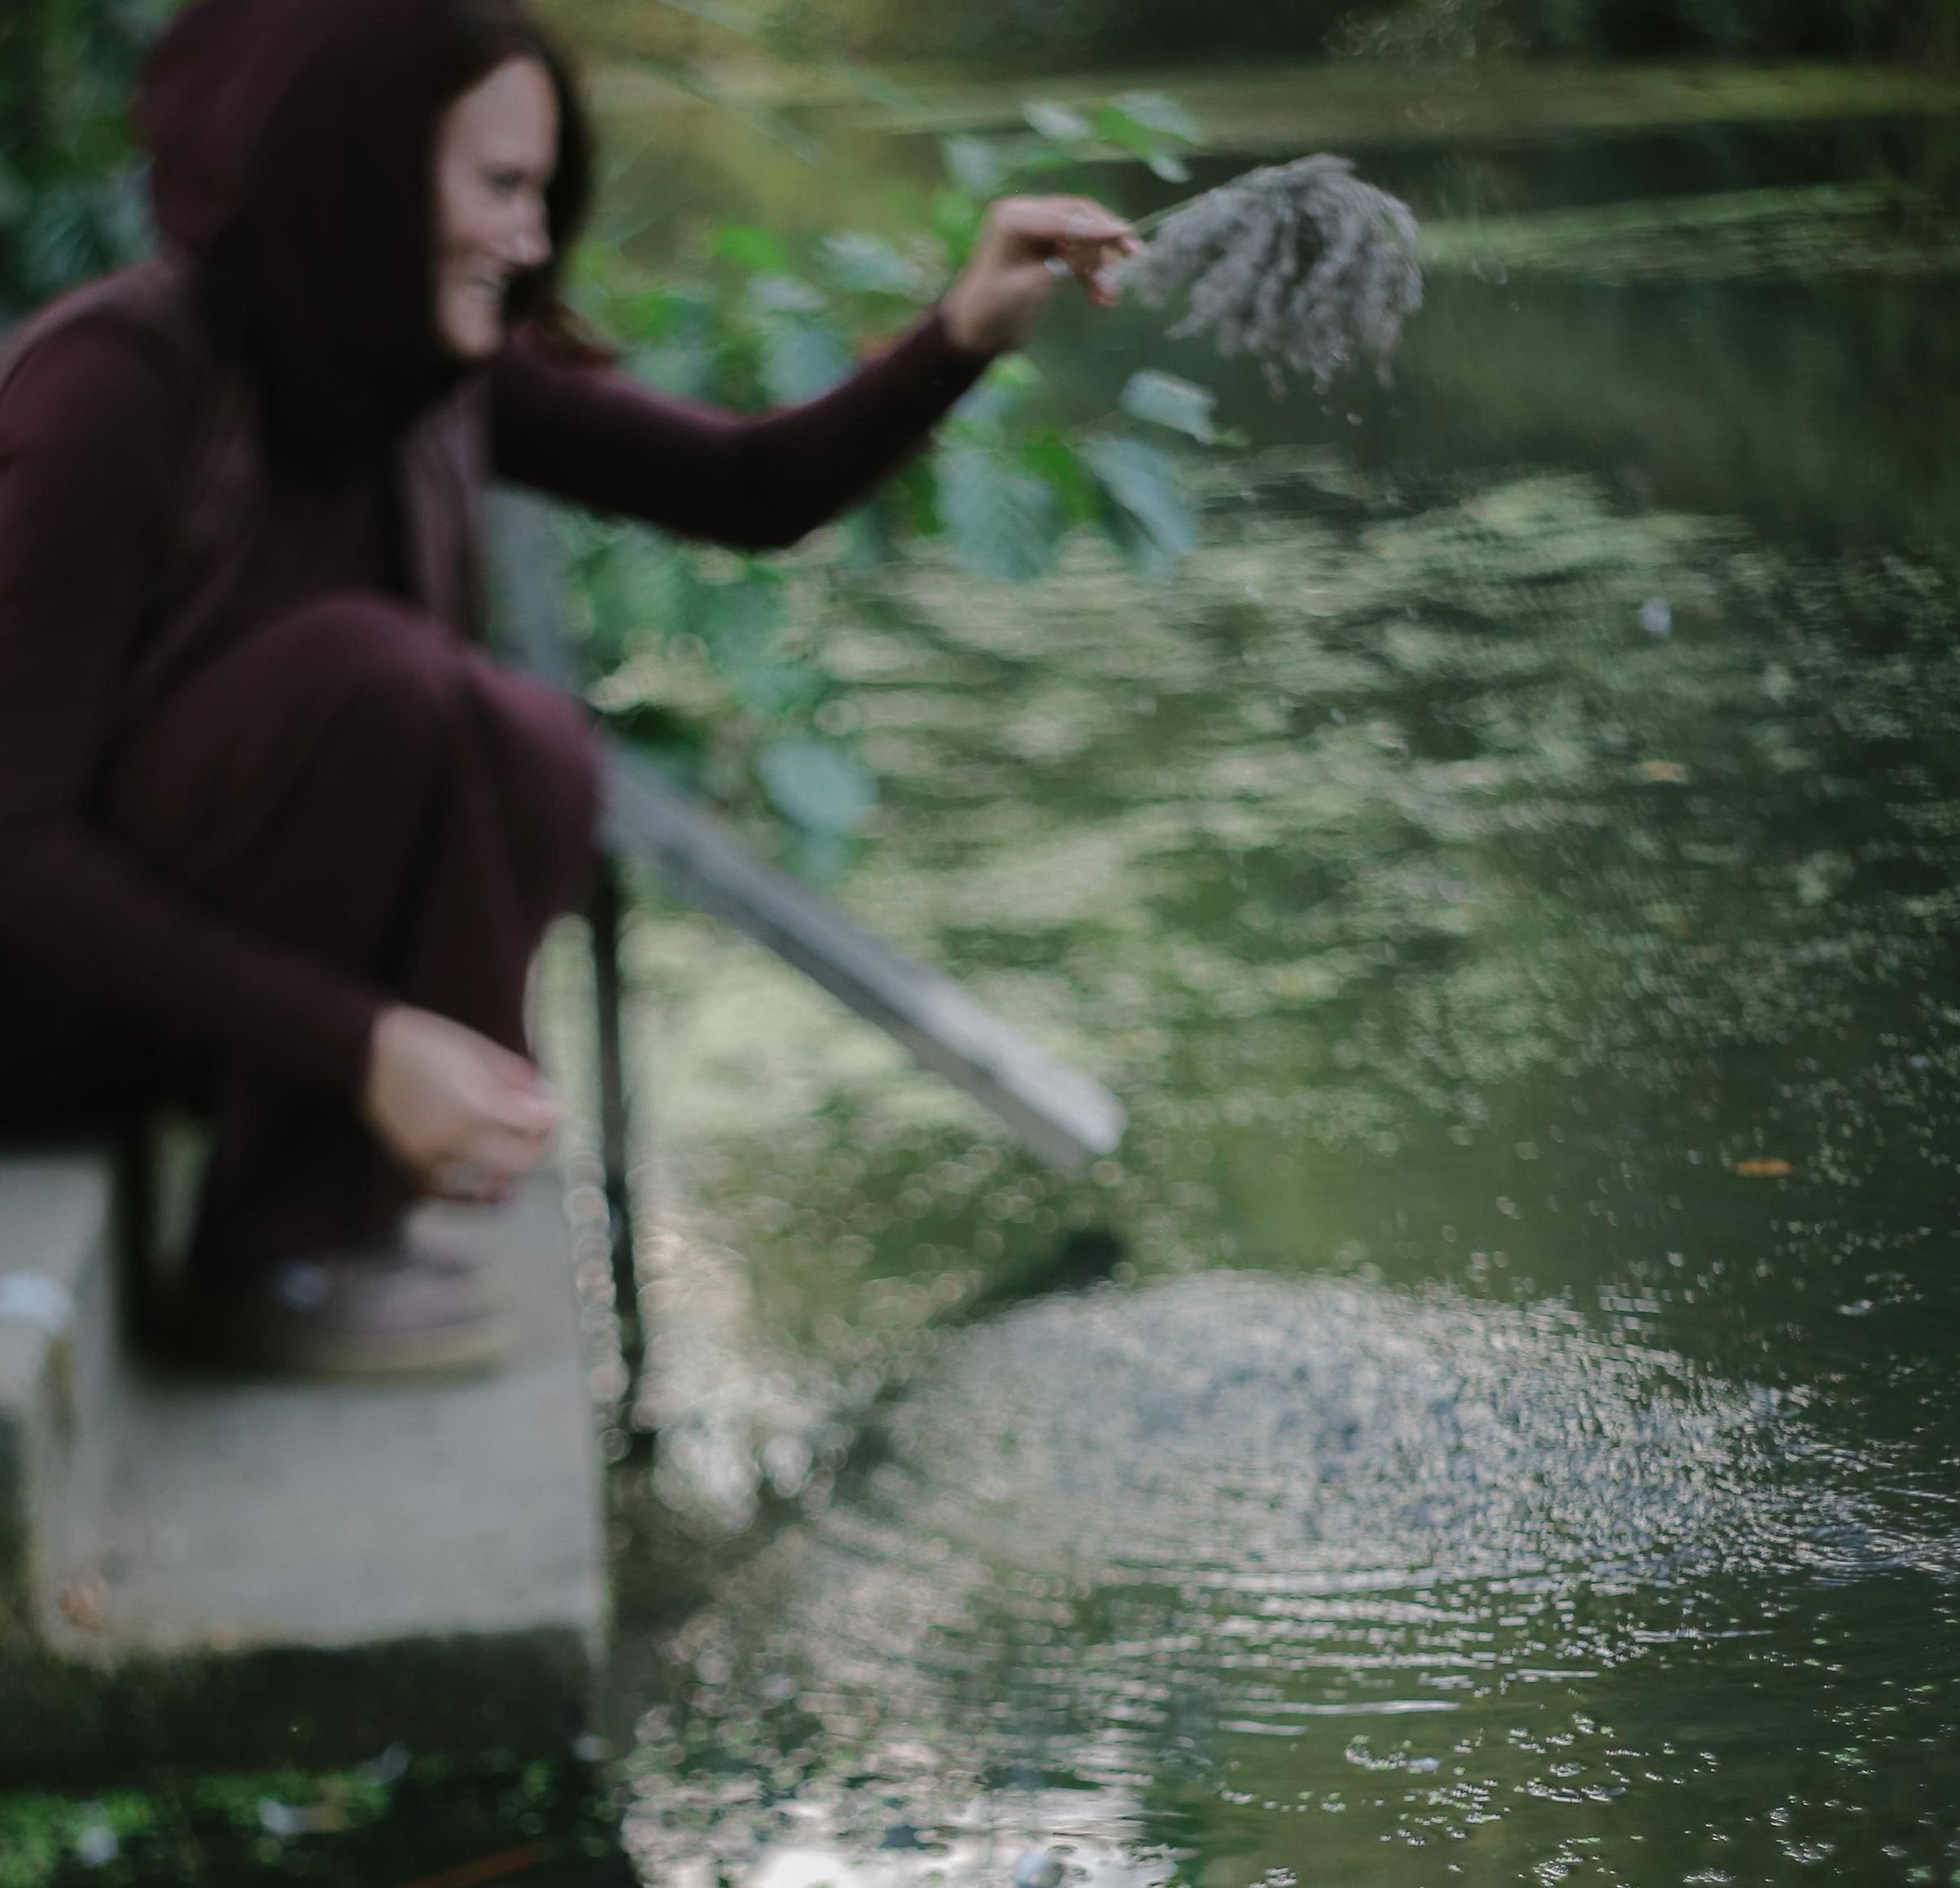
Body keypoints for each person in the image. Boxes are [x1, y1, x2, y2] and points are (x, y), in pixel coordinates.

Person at [0, 0, 1139, 1377]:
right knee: (379, 679)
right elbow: (18, 851)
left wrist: (960, 333)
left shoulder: (426, 372)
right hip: (48, 997)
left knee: (534, 742)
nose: (533, 241)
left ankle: (316, 1222)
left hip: (196, 989)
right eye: (499, 189)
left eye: (541, 195)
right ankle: (263, 1265)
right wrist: (360, 1040)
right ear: (357, 172)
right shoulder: (110, 390)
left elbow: (747, 487)